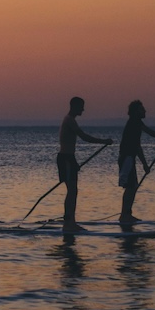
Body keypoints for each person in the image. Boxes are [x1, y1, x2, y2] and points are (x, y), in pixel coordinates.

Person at [58, 96, 114, 233]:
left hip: (70, 158)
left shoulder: (71, 120)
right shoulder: (69, 120)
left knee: (73, 191)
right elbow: (84, 137)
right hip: (65, 158)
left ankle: (71, 222)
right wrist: (103, 141)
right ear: (74, 106)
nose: (83, 109)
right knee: (71, 191)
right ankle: (68, 224)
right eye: (81, 106)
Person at [118, 100, 155, 225]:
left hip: (129, 158)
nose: (145, 111)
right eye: (142, 109)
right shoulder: (134, 123)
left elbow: (137, 146)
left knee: (133, 186)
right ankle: (124, 215)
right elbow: (149, 133)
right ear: (136, 111)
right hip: (126, 158)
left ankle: (127, 214)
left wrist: (144, 164)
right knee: (130, 187)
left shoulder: (137, 123)